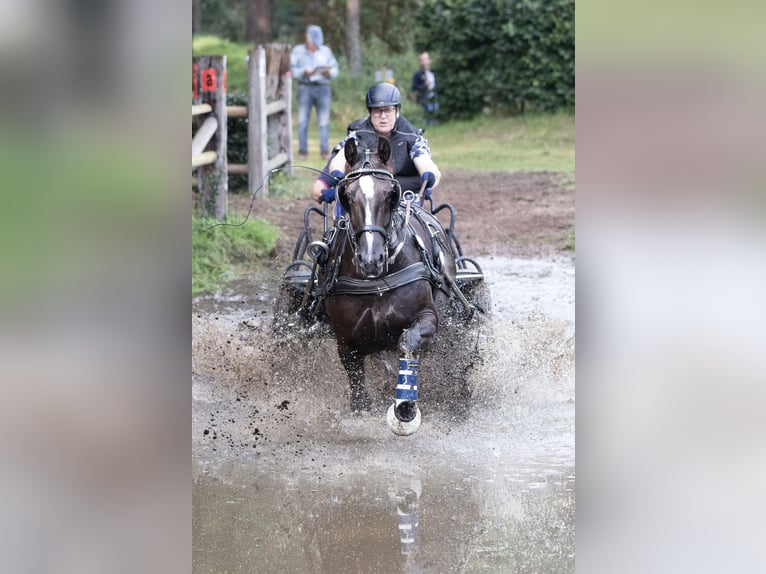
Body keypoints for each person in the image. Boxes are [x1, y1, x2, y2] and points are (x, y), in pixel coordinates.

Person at [311, 82, 441, 211]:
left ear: (397, 111)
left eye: (388, 110)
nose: (383, 116)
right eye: (377, 111)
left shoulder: (411, 137)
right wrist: (336, 180)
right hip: (363, 201)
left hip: (405, 201)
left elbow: (426, 162)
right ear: (370, 113)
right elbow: (338, 160)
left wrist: (428, 177)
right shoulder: (357, 136)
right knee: (320, 192)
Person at [290, 25, 339, 160]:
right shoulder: (298, 51)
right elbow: (292, 71)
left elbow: (335, 68)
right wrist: (304, 72)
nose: (310, 40)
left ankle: (324, 151)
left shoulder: (325, 51)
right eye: (308, 37)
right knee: (302, 121)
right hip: (305, 87)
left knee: (324, 122)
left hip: (323, 88)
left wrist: (329, 73)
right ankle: (302, 151)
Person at [411, 52, 439, 126]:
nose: (425, 62)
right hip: (424, 96)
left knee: (435, 110)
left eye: (426, 59)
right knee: (429, 111)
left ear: (430, 60)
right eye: (423, 60)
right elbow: (414, 87)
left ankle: (435, 123)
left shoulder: (434, 72)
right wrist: (424, 85)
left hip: (434, 95)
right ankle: (429, 124)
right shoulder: (418, 74)